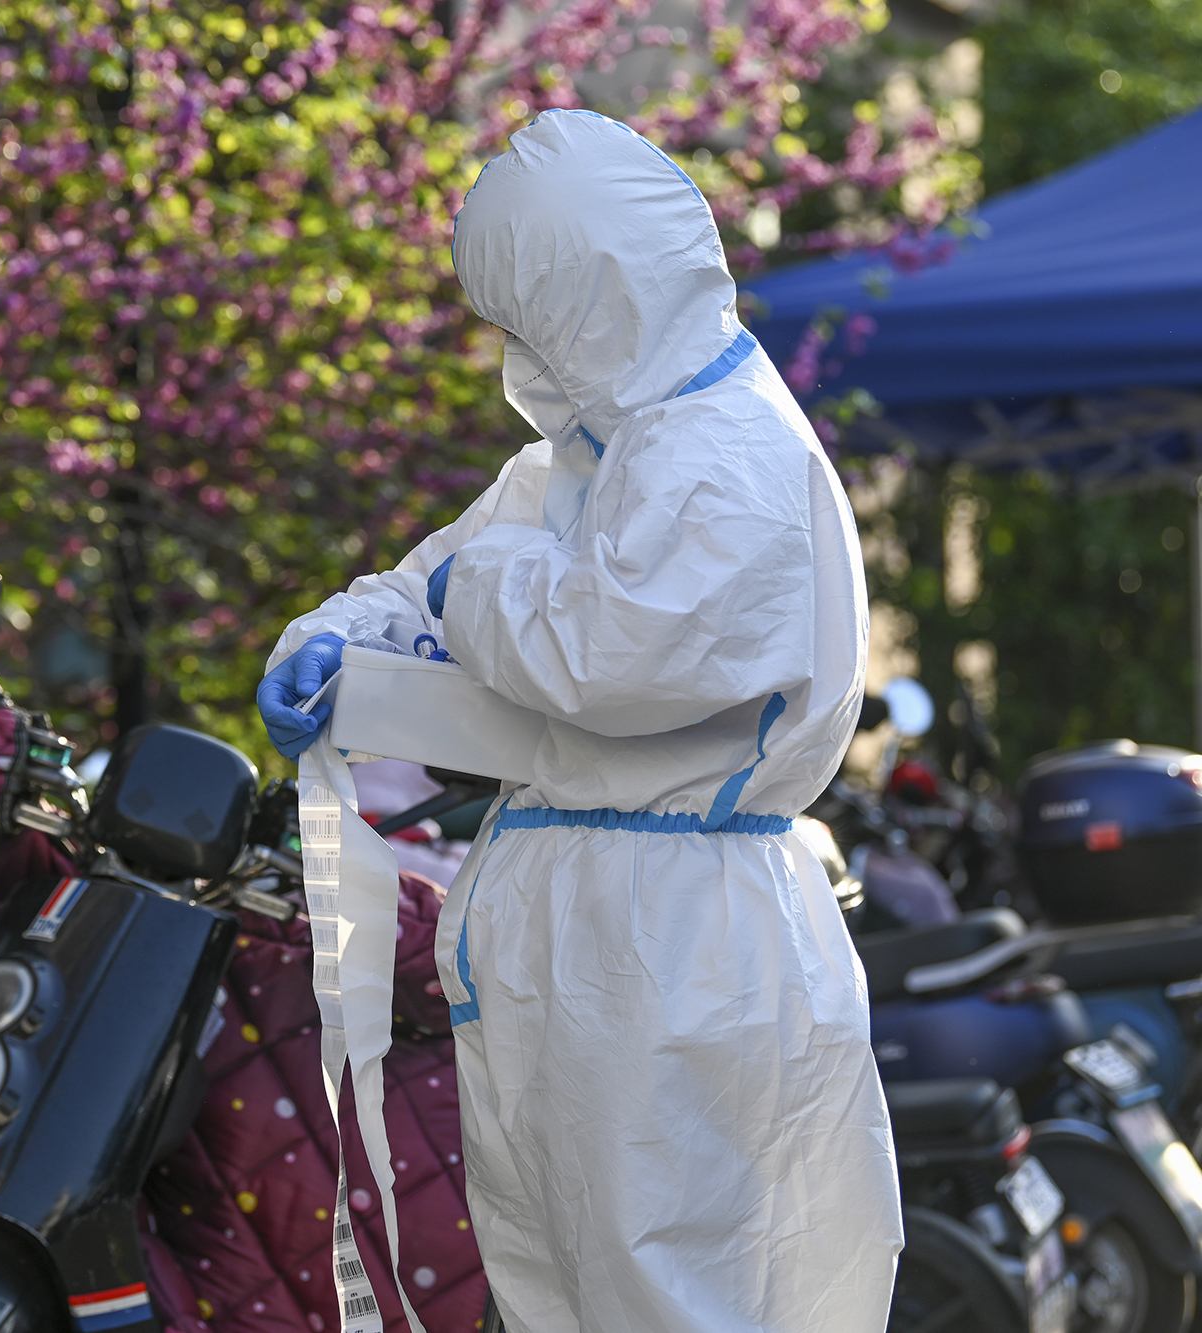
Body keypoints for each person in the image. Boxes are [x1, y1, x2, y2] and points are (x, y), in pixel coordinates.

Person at [255, 111, 900, 1333]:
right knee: (570, 1292)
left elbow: (606, 649)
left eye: (519, 307)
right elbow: (428, 578)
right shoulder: (585, 457)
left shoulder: (727, 454)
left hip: (671, 953)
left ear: (582, 288)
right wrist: (334, 638)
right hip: (585, 939)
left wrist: (459, 594)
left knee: (674, 1293)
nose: (513, 344)